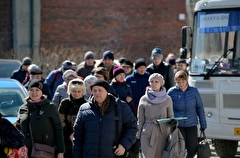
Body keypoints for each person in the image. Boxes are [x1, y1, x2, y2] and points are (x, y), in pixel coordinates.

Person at [73, 80, 138, 158]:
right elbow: (77, 135)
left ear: (107, 91)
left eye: (100, 90)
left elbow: (132, 127)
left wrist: (124, 145)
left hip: (113, 154)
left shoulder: (121, 107)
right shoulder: (84, 109)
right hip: (89, 155)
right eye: (94, 90)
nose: (97, 93)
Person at [17, 79, 65, 158]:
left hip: (45, 152)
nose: (34, 93)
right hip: (26, 152)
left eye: (37, 90)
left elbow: (58, 129)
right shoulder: (23, 108)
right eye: (31, 90)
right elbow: (18, 130)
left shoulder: (50, 107)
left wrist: (61, 151)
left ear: (42, 92)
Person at [167, 71, 207, 158]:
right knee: (180, 149)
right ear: (175, 81)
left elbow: (199, 107)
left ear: (187, 80)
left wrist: (203, 124)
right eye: (178, 82)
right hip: (178, 125)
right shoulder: (171, 92)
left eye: (183, 81)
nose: (181, 84)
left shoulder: (194, 90)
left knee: (192, 150)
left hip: (191, 124)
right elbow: (167, 108)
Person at [136, 73, 174, 158]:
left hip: (162, 131)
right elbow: (140, 119)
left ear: (161, 83)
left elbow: (171, 116)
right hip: (147, 131)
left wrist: (173, 123)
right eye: (151, 82)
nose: (154, 84)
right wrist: (137, 135)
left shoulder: (168, 99)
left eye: (156, 81)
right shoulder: (143, 99)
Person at [58, 78, 86, 158]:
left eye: (78, 91)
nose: (76, 94)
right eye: (74, 91)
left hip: (81, 140)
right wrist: (69, 133)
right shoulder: (65, 103)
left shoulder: (86, 104)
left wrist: (78, 134)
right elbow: (61, 120)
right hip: (66, 140)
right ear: (70, 91)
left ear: (82, 92)